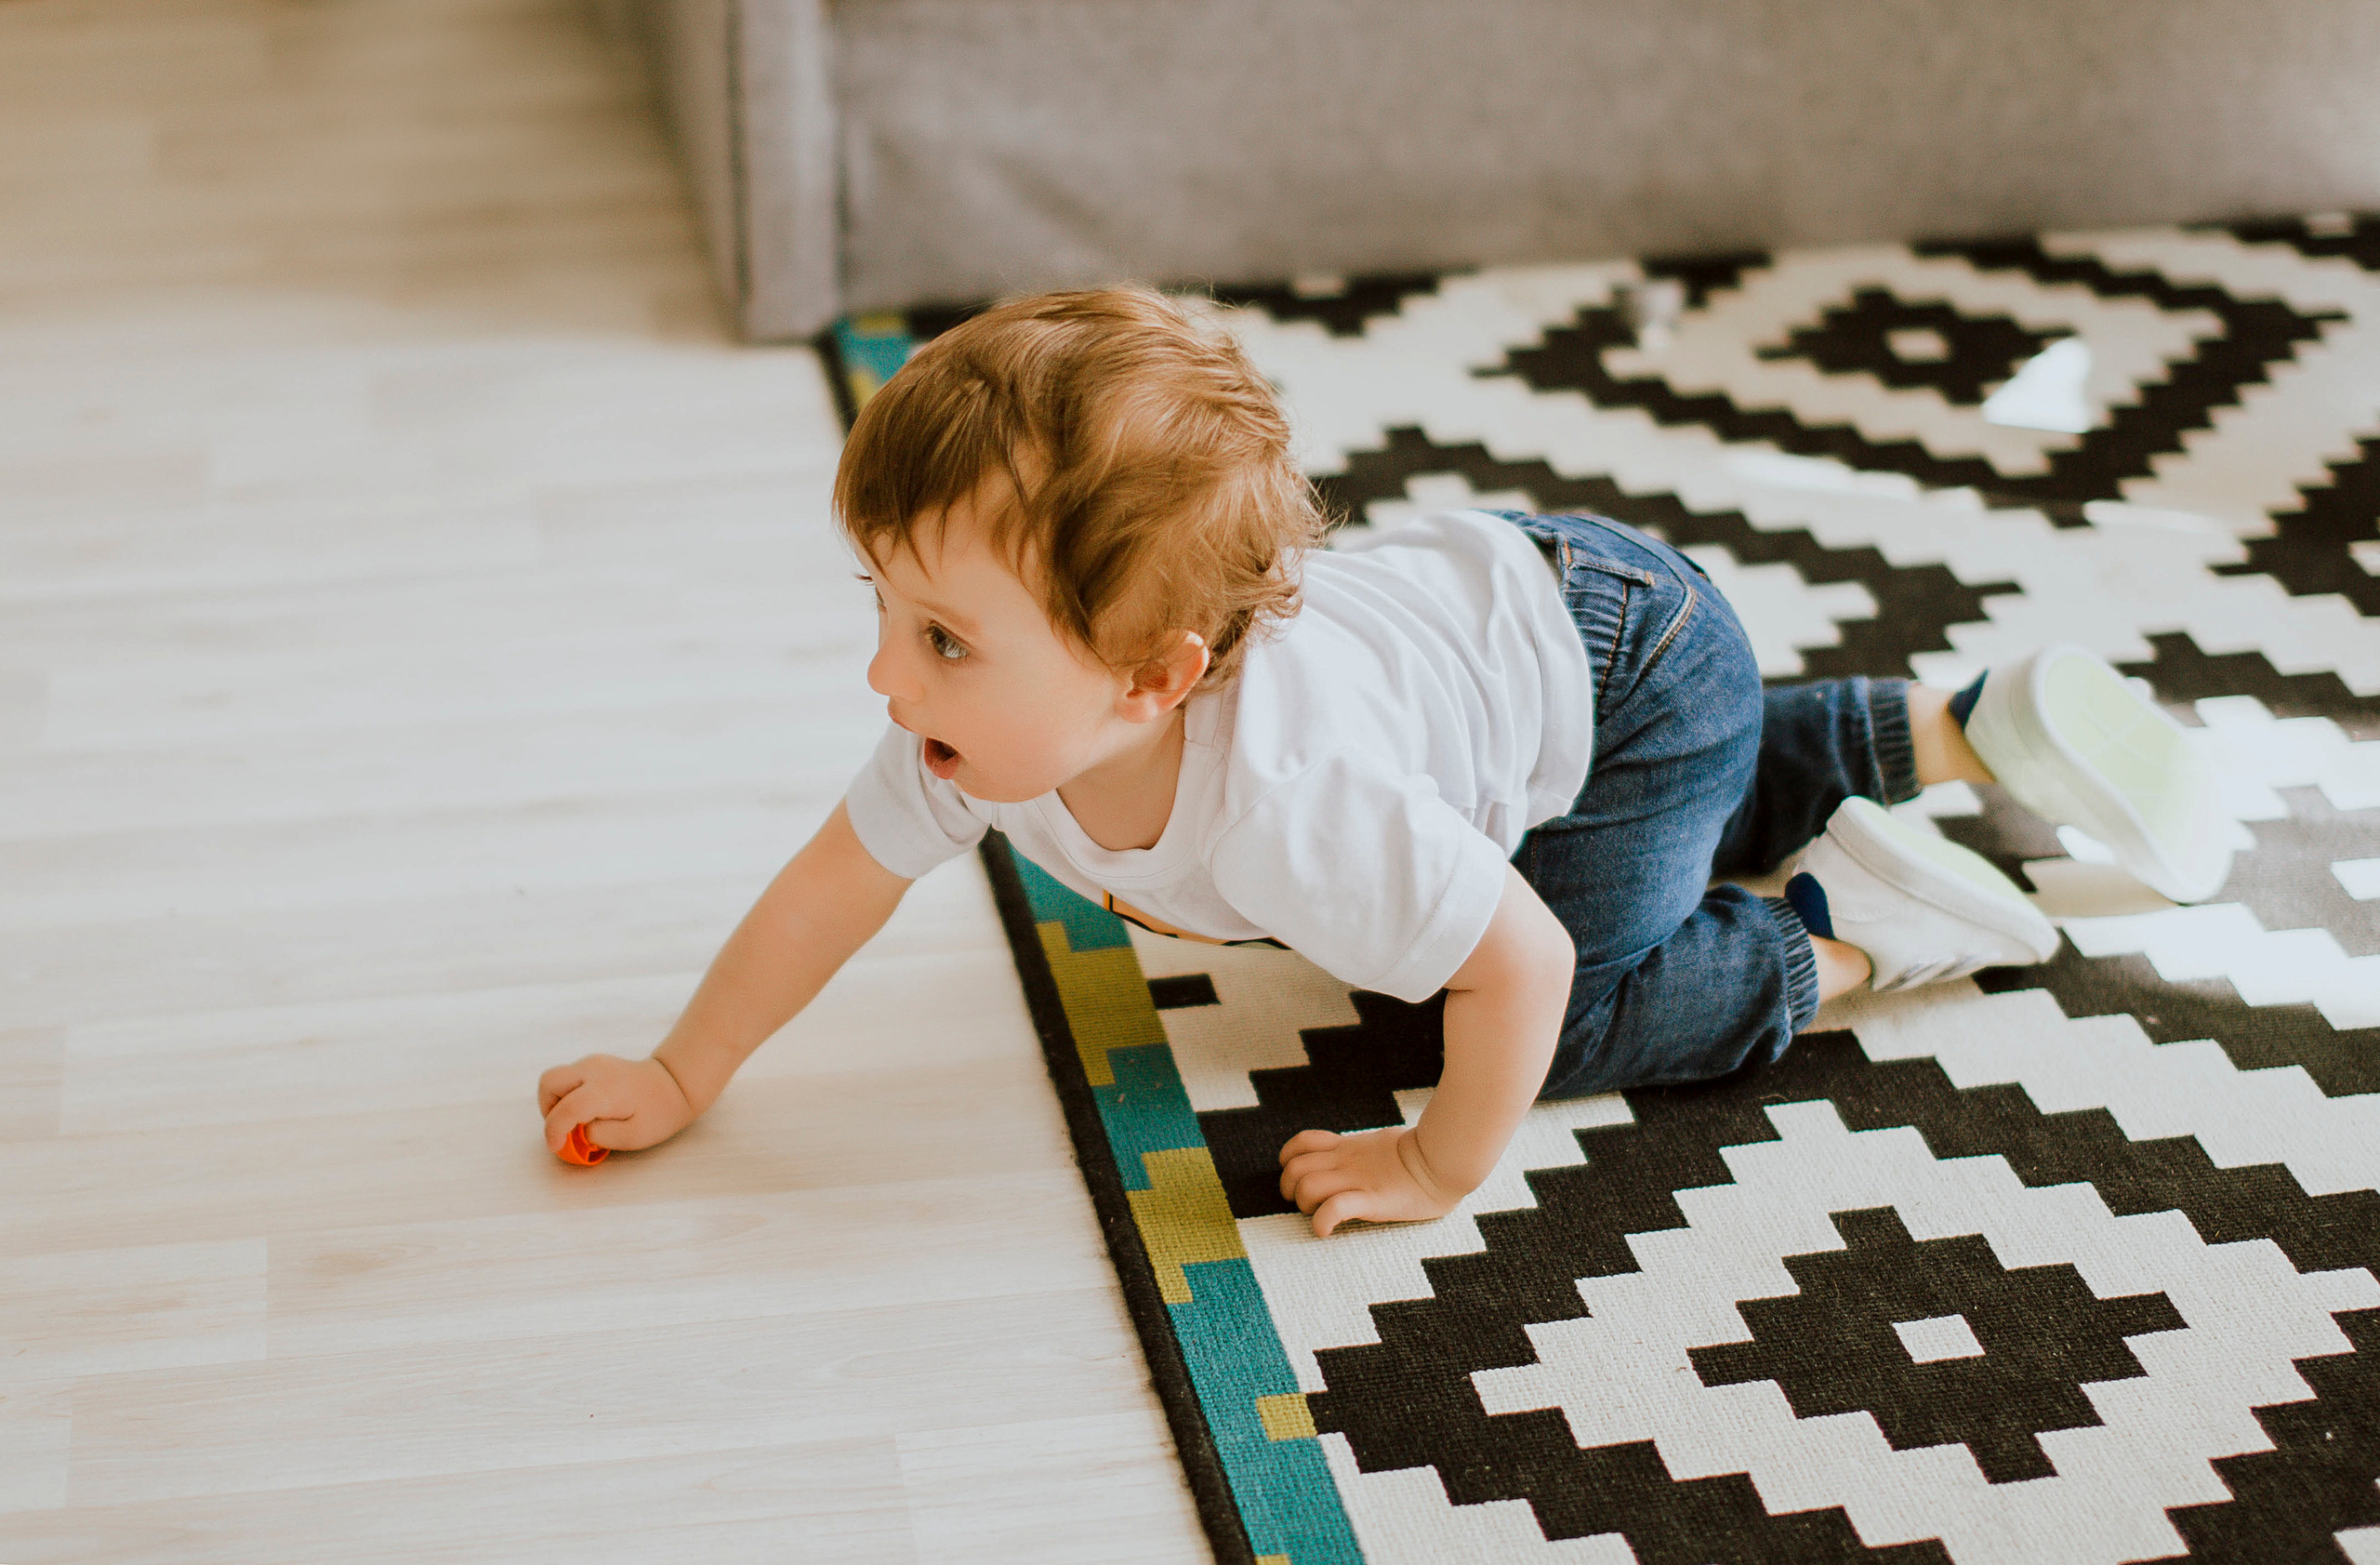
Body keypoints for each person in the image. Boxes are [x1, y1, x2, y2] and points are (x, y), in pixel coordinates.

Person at [536, 287, 2230, 1238]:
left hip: (1627, 683)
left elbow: (1525, 963)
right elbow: (830, 886)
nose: (884, 676)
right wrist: (687, 1069)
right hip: (1547, 624)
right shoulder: (969, 740)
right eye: (889, 614)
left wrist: (1436, 1163)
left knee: (1537, 1010)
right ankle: (1958, 729)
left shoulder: (1295, 806)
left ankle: (1856, 932)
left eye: (944, 639)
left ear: (1153, 681)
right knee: (1650, 801)